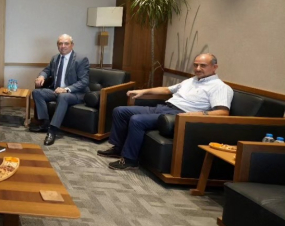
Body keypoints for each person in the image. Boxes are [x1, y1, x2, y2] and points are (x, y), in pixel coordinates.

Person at [98, 53, 233, 170]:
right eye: (195, 65)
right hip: (164, 107)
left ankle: (129, 160)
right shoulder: (192, 80)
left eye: (203, 65)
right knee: (120, 111)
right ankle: (118, 148)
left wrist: (192, 115)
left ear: (214, 67)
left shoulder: (220, 87)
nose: (198, 69)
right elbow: (167, 90)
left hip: (178, 116)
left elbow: (222, 112)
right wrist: (143, 91)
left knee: (137, 120)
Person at [30, 34, 90, 146]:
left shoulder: (81, 59)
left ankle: (52, 130)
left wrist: (66, 89)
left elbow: (84, 82)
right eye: (60, 43)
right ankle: (45, 123)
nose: (63, 46)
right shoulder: (55, 58)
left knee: (63, 96)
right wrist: (42, 76)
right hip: (56, 91)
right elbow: (46, 70)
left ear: (72, 45)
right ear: (57, 45)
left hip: (76, 93)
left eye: (66, 43)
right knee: (36, 92)